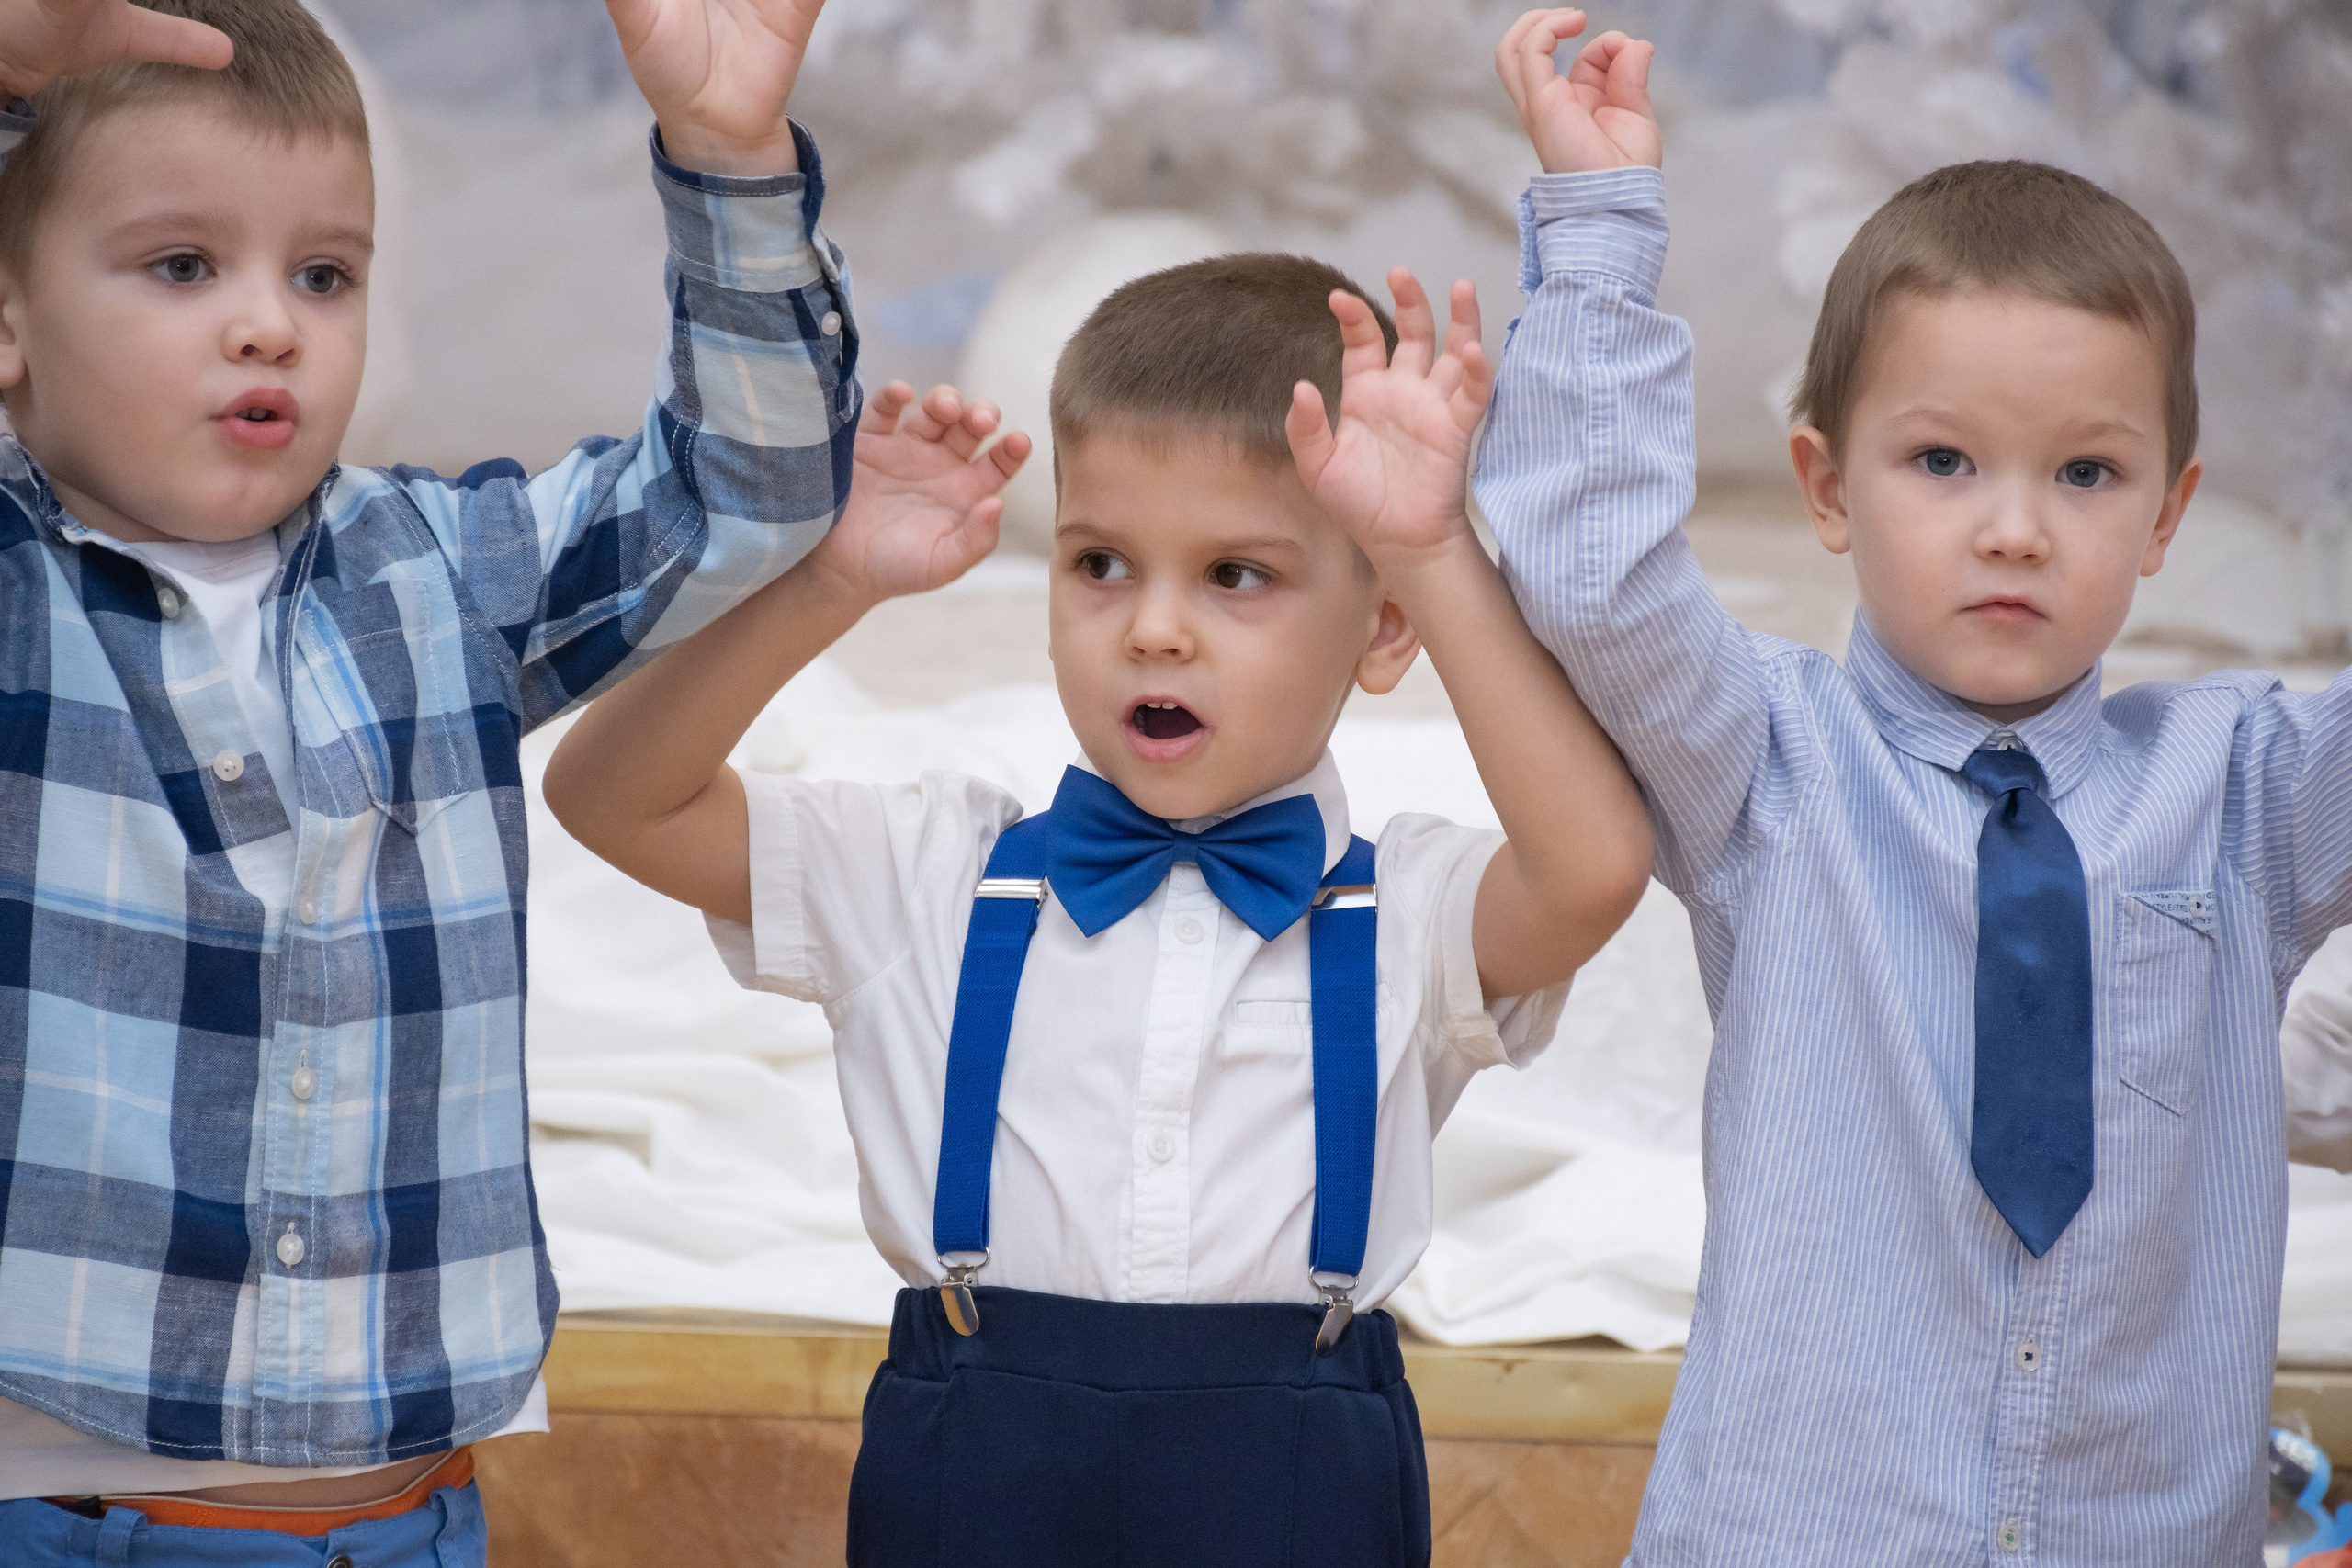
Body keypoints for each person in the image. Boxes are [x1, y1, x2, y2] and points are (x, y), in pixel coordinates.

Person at [544, 247, 1655, 1564]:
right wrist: (824, 581)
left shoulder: (1409, 915)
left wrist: (1432, 550)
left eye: (1236, 575)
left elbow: (1593, 867)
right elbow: (610, 793)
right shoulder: (924, 878)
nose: (1155, 631)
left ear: (1384, 631)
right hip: (976, 1476)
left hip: (1295, 1491)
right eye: (1103, 564)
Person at [1478, 6, 2351, 1561]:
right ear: (1826, 485)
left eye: (2086, 473)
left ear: (2168, 512)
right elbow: (1595, 578)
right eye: (1943, 462)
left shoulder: (2248, 790)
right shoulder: (1767, 761)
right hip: (1804, 1529)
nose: (2014, 529)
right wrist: (1602, 223)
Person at [0, 0, 854, 1560]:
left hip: (405, 1522)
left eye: (323, 273)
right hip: (65, 1515)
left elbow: (755, 492)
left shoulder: (434, 573)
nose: (270, 324)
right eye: (183, 267)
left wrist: (728, 160)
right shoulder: (20, 594)